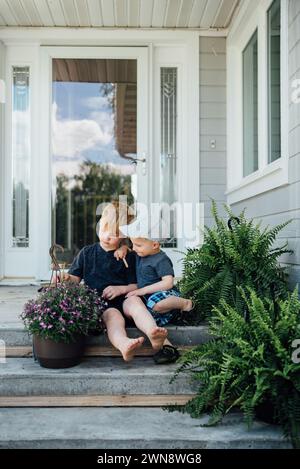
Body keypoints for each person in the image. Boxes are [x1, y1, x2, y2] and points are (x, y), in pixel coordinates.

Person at [54, 202, 169, 362]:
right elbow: (74, 280)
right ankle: (124, 344)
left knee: (135, 303)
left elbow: (139, 284)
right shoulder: (87, 253)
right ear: (99, 224)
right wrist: (65, 278)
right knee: (113, 318)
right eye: (104, 228)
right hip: (103, 305)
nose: (107, 235)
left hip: (126, 299)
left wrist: (121, 289)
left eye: (114, 233)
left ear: (124, 236)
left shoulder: (129, 256)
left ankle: (153, 332)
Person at [119, 216, 193, 363]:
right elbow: (130, 248)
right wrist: (123, 248)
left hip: (165, 294)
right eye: (133, 244)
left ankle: (185, 303)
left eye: (138, 245)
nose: (134, 248)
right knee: (150, 311)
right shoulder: (142, 254)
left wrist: (142, 291)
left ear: (155, 245)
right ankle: (164, 346)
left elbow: (168, 283)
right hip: (152, 301)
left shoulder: (161, 259)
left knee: (155, 304)